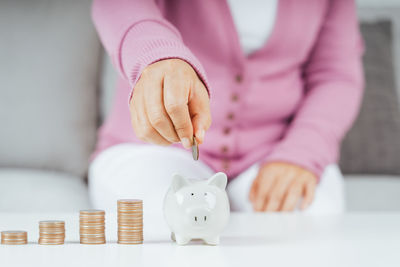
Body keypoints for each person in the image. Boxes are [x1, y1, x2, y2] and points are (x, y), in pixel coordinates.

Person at [89, 0, 364, 214]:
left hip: (276, 151)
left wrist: (302, 153)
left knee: (310, 221)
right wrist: (155, 56)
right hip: (154, 149)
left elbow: (335, 76)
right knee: (168, 218)